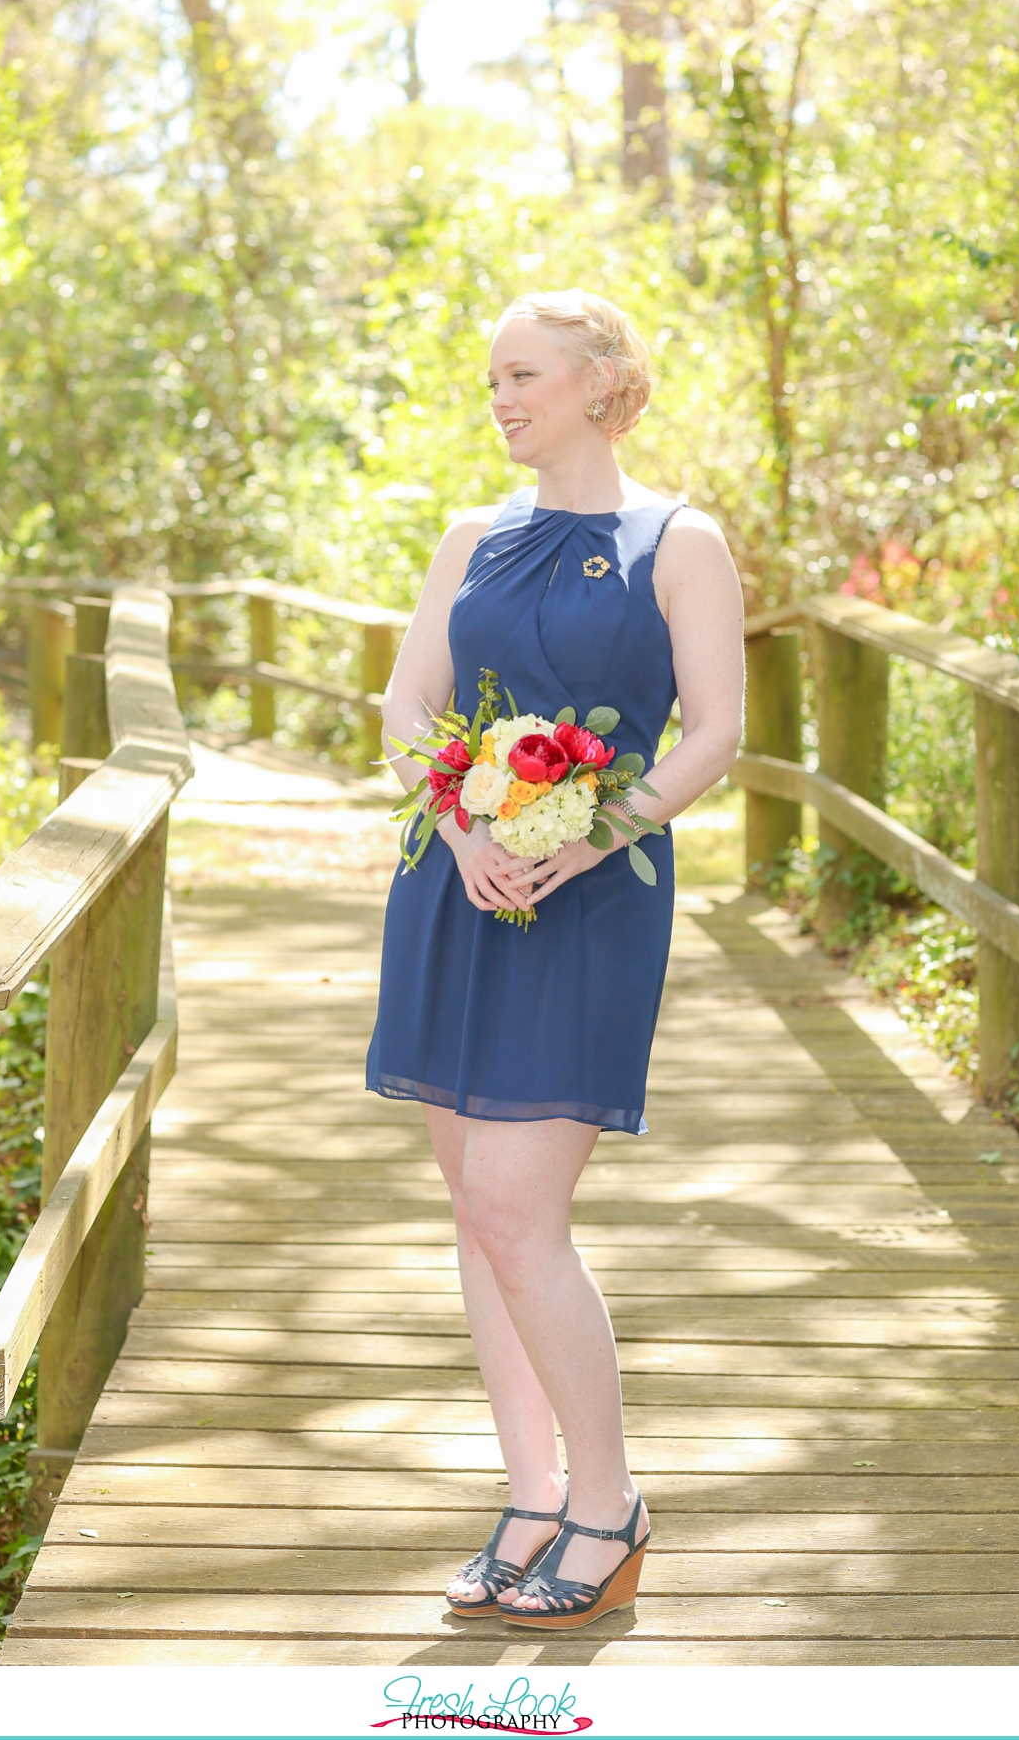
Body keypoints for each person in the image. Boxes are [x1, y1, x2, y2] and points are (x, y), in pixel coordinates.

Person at [365, 289, 744, 1629]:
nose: (503, 396)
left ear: (604, 381)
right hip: (458, 885)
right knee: (478, 1212)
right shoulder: (471, 536)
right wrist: (460, 816)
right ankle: (530, 1495)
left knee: (523, 1210)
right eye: (492, 380)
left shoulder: (678, 541)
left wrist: (591, 840)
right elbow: (409, 706)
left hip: (593, 898)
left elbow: (712, 732)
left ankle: (608, 1500)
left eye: (524, 373)